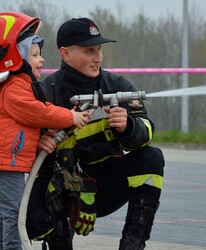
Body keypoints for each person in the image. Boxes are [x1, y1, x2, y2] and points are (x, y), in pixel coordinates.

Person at [26, 17, 165, 250]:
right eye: (89, 50)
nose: (98, 57)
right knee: (37, 218)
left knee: (151, 158)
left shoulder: (118, 86)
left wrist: (128, 127)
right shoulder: (44, 92)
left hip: (104, 186)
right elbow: (17, 143)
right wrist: (38, 142)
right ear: (65, 53)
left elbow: (147, 130)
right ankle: (58, 238)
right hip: (62, 191)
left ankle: (133, 244)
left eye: (99, 49)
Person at [0, 12, 91, 250]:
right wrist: (70, 116)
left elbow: (43, 108)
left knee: (10, 211)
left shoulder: (22, 86)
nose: (41, 60)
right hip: (6, 166)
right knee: (12, 213)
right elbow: (39, 112)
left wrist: (64, 118)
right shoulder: (13, 89)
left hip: (12, 164)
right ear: (15, 58)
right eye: (35, 54)